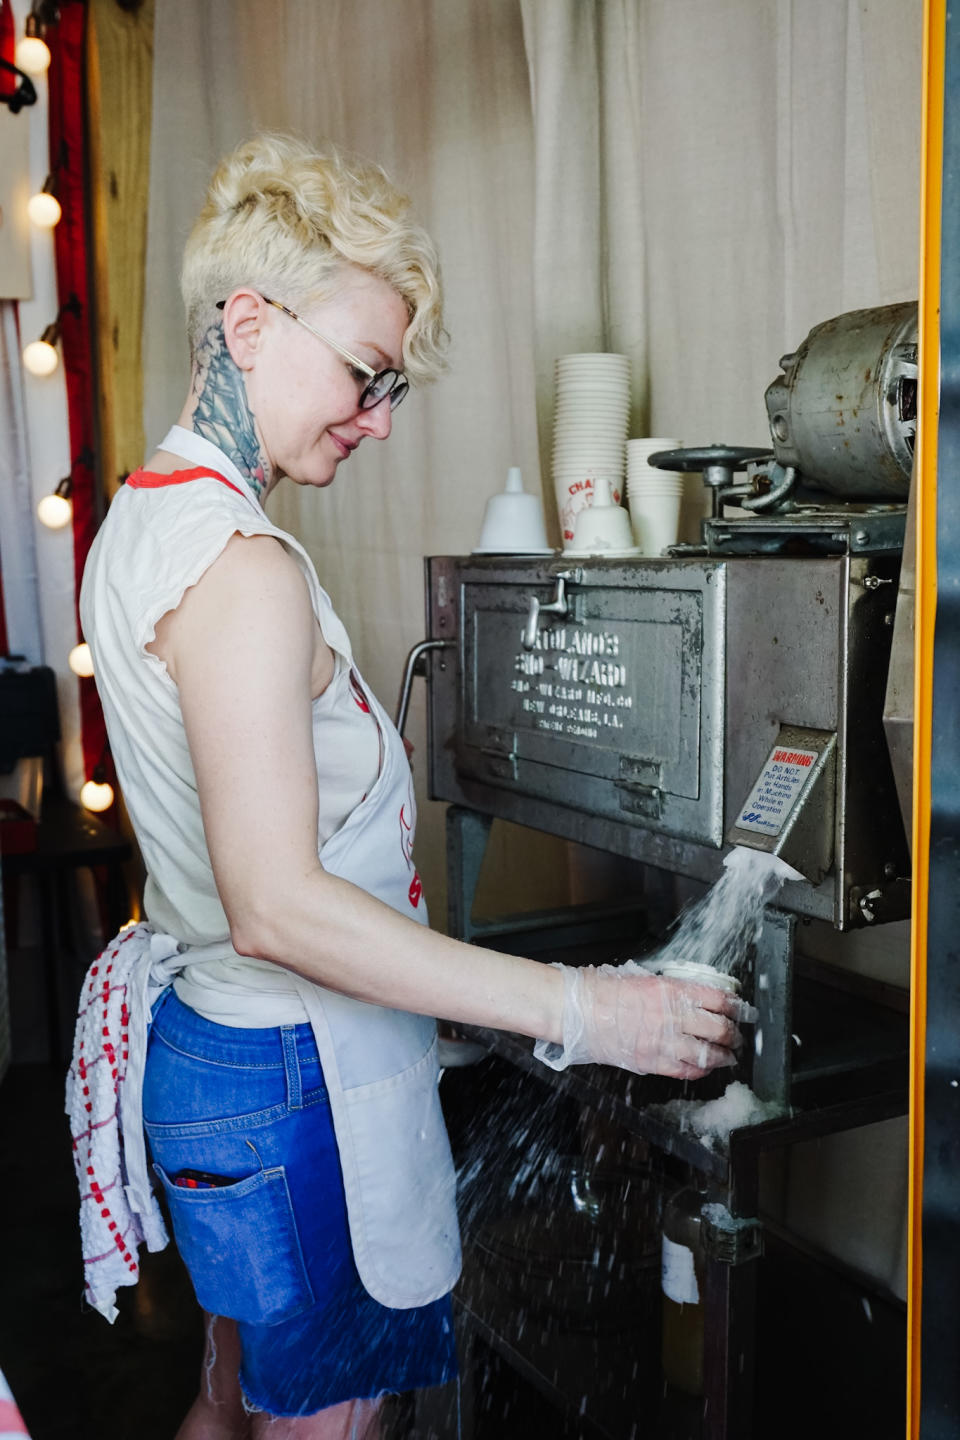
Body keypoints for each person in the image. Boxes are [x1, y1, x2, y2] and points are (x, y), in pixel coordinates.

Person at [67, 133, 750, 1439]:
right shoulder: (243, 568)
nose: (378, 421)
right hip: (292, 1080)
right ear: (252, 322)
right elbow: (275, 905)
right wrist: (591, 1014)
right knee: (328, 1425)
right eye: (368, 376)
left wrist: (459, 1014)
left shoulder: (146, 521)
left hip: (223, 1059)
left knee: (231, 1399)